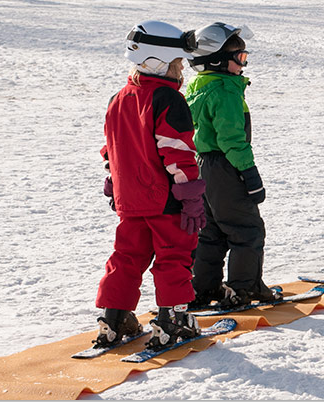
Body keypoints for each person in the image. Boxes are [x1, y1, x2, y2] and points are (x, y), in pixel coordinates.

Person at [94, 20, 205, 350]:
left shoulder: (119, 98)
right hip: (165, 201)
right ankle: (173, 320)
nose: (182, 71)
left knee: (126, 257)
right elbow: (178, 152)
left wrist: (114, 184)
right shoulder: (168, 100)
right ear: (159, 62)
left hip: (130, 200)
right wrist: (191, 198)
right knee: (174, 257)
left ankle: (114, 319)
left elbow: (111, 149)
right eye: (177, 64)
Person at [185, 22, 280, 308]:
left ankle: (203, 288)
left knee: (211, 231)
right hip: (226, 166)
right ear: (216, 61)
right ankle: (244, 289)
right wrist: (249, 174)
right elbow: (232, 141)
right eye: (240, 58)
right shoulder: (225, 91)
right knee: (246, 230)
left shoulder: (199, 87)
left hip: (203, 167)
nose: (244, 64)